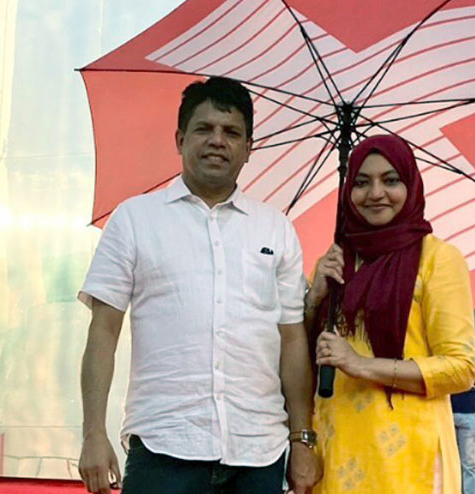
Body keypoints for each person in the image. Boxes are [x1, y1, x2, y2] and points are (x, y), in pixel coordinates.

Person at [76, 77, 321, 494]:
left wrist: (302, 439)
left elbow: (292, 339)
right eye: (204, 129)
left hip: (259, 452)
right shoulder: (135, 219)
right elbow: (103, 330)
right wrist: (93, 433)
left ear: (249, 148)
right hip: (164, 446)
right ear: (180, 139)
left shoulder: (275, 228)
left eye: (231, 133)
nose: (217, 141)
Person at [304, 134, 475, 494]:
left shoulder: (438, 259)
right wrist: (314, 298)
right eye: (361, 182)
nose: (375, 193)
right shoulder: (333, 263)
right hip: (335, 453)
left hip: (408, 462)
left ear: (410, 185)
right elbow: (304, 358)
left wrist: (362, 365)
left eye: (390, 180)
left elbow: (461, 368)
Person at [451, 356, 475, 494]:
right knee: (449, 461)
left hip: (468, 414)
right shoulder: (445, 355)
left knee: (469, 463)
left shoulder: (474, 358)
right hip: (447, 415)